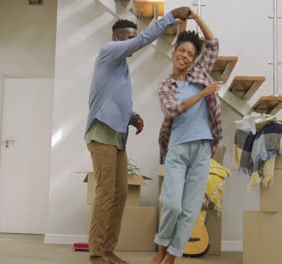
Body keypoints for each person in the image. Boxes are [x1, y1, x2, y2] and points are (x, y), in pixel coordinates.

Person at [85, 7, 192, 264]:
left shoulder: (119, 66)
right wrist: (170, 17)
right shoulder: (109, 52)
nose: (133, 41)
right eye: (129, 36)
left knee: (120, 194)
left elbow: (113, 97)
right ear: (118, 38)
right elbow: (143, 40)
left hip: (117, 136)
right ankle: (96, 252)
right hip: (101, 133)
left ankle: (108, 249)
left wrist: (132, 115)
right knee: (105, 192)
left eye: (134, 35)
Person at [151, 8, 222, 264]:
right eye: (182, 51)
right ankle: (161, 247)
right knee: (171, 204)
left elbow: (212, 45)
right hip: (177, 149)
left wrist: (197, 18)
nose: (185, 56)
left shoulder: (199, 75)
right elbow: (172, 109)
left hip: (202, 149)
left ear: (194, 60)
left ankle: (172, 254)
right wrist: (202, 95)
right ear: (174, 53)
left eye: (190, 54)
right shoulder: (166, 86)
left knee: (191, 209)